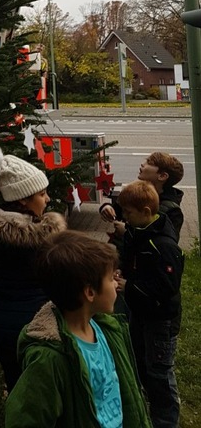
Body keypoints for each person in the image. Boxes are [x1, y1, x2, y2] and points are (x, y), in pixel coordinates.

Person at [5, 230, 151, 427]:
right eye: (110, 278)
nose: (116, 282)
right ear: (90, 292)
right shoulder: (50, 359)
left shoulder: (107, 328)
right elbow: (26, 419)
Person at [0, 147, 65, 391]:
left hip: (1, 327)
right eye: (42, 194)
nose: (48, 199)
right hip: (40, 329)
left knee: (16, 385)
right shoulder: (44, 238)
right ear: (23, 199)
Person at [117, 180, 184, 428]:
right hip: (141, 314)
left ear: (146, 212)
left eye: (129, 212)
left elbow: (165, 289)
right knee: (143, 365)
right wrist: (122, 273)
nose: (125, 217)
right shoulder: (138, 233)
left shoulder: (164, 246)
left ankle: (166, 421)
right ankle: (149, 413)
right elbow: (132, 265)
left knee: (160, 375)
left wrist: (129, 287)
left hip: (160, 322)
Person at [100, 152, 184, 243]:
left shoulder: (172, 211)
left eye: (149, 163)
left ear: (162, 176)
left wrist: (127, 233)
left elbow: (167, 243)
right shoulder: (137, 193)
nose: (143, 164)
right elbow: (117, 209)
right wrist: (107, 207)